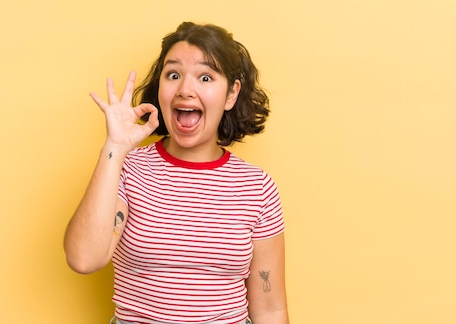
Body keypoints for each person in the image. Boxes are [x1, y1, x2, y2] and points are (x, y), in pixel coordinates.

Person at [64, 21, 289, 324]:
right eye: (173, 75)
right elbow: (83, 258)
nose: (185, 89)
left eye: (205, 77)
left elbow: (271, 308)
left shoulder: (256, 187)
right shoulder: (127, 170)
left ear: (231, 94)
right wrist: (114, 148)